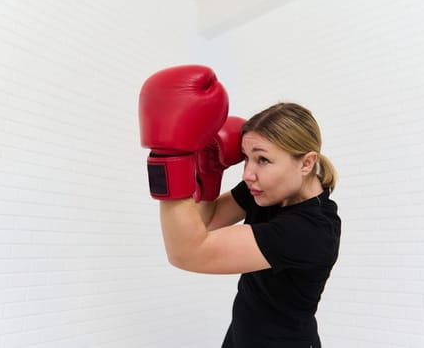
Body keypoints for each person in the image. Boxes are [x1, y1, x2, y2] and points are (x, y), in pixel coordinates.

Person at [139, 65, 341, 348]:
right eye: (246, 157)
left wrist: (171, 157)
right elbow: (206, 222)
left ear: (306, 163)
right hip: (242, 336)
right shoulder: (267, 190)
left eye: (263, 160)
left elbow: (186, 252)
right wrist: (209, 175)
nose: (247, 173)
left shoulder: (311, 230)